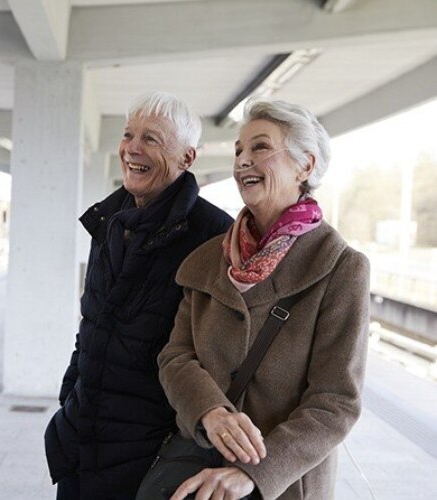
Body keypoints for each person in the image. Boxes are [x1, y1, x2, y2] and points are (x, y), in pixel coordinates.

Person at [158, 98, 371, 499]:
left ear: (304, 166)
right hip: (199, 469)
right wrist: (210, 411)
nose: (242, 161)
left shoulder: (340, 268)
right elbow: (176, 356)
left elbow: (336, 401)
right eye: (239, 150)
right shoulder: (205, 261)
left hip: (283, 485)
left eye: (260, 147)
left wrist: (255, 471)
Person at [44, 91, 233, 499]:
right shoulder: (107, 220)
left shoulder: (215, 237)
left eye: (151, 139)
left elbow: (216, 358)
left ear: (187, 158)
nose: (132, 148)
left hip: (149, 461)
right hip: (79, 444)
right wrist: (69, 398)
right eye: (129, 134)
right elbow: (90, 327)